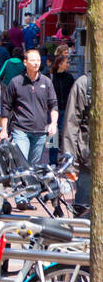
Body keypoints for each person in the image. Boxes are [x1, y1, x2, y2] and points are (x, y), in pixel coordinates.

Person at [0, 48, 57, 166]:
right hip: (20, 130)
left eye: (38, 60)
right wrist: (4, 129)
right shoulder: (15, 82)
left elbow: (53, 105)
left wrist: (53, 123)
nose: (36, 63)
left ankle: (29, 184)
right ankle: (20, 184)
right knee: (22, 163)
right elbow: (6, 106)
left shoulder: (46, 82)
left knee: (34, 166)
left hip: (40, 131)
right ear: (25, 62)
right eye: (33, 60)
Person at [62, 71, 92, 210]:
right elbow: (71, 123)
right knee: (84, 211)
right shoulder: (84, 84)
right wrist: (69, 162)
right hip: (89, 161)